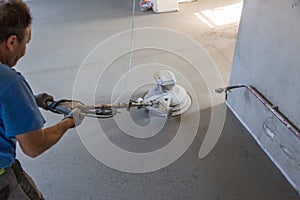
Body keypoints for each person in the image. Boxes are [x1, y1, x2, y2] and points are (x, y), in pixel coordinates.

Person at [0, 1, 84, 199]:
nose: (24, 51)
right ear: (12, 42)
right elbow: (34, 146)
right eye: (24, 44)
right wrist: (69, 122)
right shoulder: (9, 82)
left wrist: (28, 100)